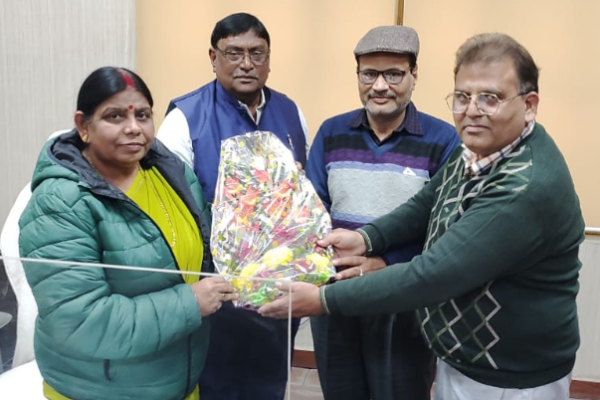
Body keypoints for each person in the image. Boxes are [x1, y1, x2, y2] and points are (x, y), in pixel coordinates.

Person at [259, 33, 585, 400]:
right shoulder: (478, 149)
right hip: (464, 356)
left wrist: (323, 301)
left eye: (490, 98)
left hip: (509, 377)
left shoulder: (523, 188)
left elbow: (432, 275)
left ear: (529, 105)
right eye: (463, 96)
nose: (472, 110)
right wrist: (366, 238)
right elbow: (426, 203)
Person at [18, 66, 237, 400]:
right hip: (99, 390)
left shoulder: (171, 174)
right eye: (115, 116)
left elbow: (208, 249)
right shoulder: (60, 203)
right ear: (83, 126)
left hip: (176, 381)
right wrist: (191, 302)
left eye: (143, 115)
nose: (134, 127)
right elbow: (81, 323)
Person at [157, 12, 308, 400]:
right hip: (216, 289)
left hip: (276, 286)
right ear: (213, 57)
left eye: (257, 53)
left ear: (269, 58)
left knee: (269, 384)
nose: (246, 64)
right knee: (217, 385)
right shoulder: (184, 119)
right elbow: (171, 213)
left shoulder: (291, 112)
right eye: (234, 53)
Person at [305, 25, 460, 400]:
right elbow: (311, 211)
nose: (379, 86)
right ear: (357, 75)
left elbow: (446, 229)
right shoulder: (331, 132)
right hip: (336, 293)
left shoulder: (444, 140)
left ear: (414, 75)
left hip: (403, 301)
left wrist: (385, 263)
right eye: (369, 74)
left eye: (393, 74)